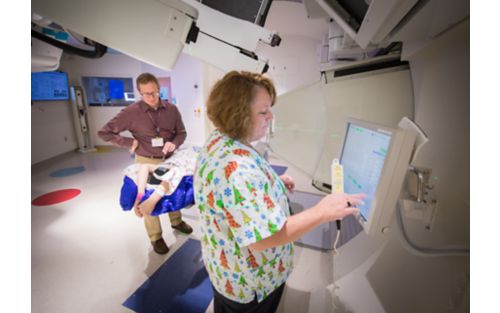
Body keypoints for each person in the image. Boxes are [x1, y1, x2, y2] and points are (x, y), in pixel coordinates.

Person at [193, 71, 366, 313]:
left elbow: (233, 196)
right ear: (237, 115)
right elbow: (264, 238)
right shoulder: (238, 171)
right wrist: (322, 211)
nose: (270, 116)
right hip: (250, 286)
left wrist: (272, 182)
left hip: (225, 273)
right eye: (263, 111)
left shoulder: (219, 140)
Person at [98, 72, 193, 255]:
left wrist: (175, 142)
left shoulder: (172, 110)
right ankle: (156, 237)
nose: (151, 97)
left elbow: (181, 132)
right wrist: (128, 143)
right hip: (145, 159)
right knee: (149, 197)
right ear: (139, 92)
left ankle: (176, 221)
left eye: (154, 92)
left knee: (173, 190)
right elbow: (105, 132)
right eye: (146, 94)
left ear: (159, 89)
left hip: (170, 159)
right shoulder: (131, 112)